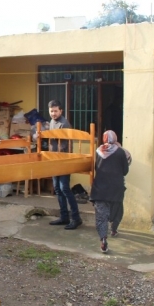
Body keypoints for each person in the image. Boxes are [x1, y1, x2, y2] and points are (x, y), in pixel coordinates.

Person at [90, 130, 131, 253]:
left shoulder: (98, 151)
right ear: (115, 138)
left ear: (104, 138)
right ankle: (113, 229)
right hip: (115, 189)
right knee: (117, 210)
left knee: (101, 216)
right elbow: (125, 171)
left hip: (99, 189)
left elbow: (96, 167)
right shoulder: (120, 152)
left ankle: (103, 239)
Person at [47, 100, 83, 230]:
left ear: (61, 111)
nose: (53, 113)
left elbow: (64, 144)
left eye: (56, 111)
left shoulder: (64, 123)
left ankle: (76, 218)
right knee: (57, 188)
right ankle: (64, 217)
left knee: (65, 188)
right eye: (51, 111)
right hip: (54, 160)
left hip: (64, 160)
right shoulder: (52, 122)